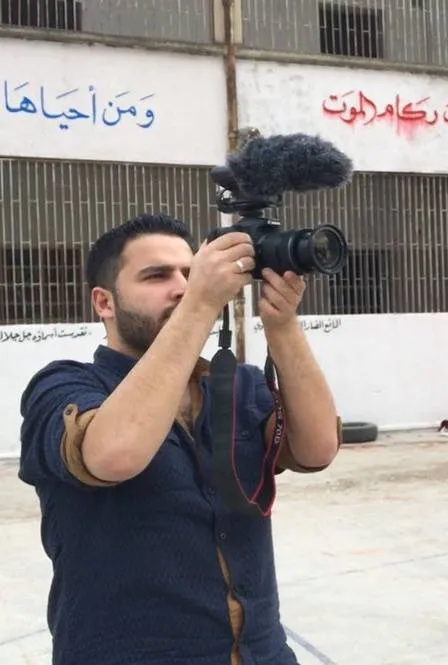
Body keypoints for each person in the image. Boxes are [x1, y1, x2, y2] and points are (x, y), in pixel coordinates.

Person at [18, 213, 343, 665]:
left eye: (190, 274)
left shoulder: (237, 386)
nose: (182, 287)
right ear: (104, 302)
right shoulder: (62, 387)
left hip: (262, 654)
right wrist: (199, 305)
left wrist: (282, 326)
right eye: (157, 276)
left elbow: (318, 448)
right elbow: (114, 455)